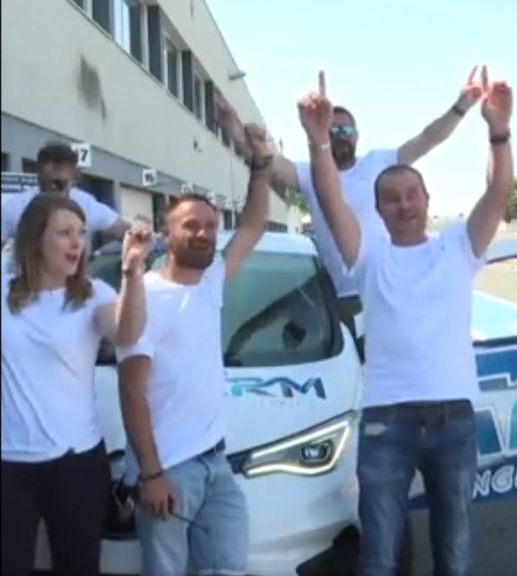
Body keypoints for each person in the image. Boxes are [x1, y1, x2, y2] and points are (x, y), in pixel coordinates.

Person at [298, 69, 512, 576]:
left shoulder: (459, 247)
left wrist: (499, 130)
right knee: (379, 556)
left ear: (427, 201)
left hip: (454, 421)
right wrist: (317, 143)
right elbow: (329, 199)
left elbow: (498, 191)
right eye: (391, 198)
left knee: (455, 553)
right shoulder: (369, 255)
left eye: (411, 195)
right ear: (377, 209)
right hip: (386, 422)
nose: (403, 204)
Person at [215, 67, 487, 354]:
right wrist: (232, 127)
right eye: (333, 130)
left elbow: (428, 138)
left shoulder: (380, 162)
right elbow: (265, 160)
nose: (340, 136)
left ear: (357, 135)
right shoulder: (310, 175)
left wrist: (461, 106)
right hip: (339, 300)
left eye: (346, 130)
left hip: (385, 288)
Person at [116, 123, 273, 576]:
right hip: (169, 469)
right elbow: (131, 392)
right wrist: (150, 473)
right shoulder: (144, 295)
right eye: (191, 225)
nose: (204, 233)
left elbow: (253, 225)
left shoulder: (209, 283)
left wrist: (259, 165)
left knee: (226, 568)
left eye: (210, 226)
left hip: (215, 461)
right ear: (167, 234)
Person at [0, 192, 152, 576]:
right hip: (8, 464)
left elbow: (127, 331)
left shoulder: (92, 295)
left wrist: (132, 271)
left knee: (79, 566)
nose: (76, 242)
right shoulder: (1, 288)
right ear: (36, 239)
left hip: (76, 464)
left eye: (81, 233)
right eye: (64, 232)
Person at [0, 141, 132, 252]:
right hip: (28, 280)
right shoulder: (16, 207)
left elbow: (125, 231)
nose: (52, 190)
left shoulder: (87, 206)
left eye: (59, 183)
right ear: (38, 174)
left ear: (75, 178)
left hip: (74, 281)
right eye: (45, 182)